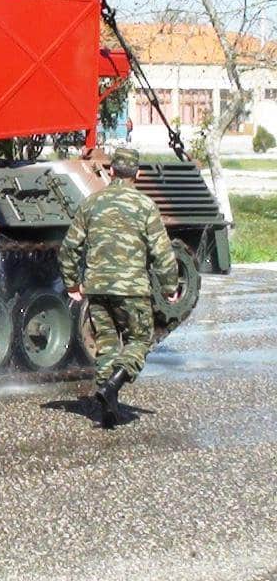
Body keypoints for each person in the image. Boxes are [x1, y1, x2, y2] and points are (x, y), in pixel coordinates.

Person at [57, 147, 180, 428]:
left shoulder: (91, 203)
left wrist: (72, 282)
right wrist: (169, 286)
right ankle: (114, 384)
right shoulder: (145, 206)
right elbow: (162, 251)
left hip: (97, 288)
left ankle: (107, 410)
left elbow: (69, 248)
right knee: (140, 340)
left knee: (107, 345)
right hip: (131, 288)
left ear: (111, 171)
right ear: (138, 174)